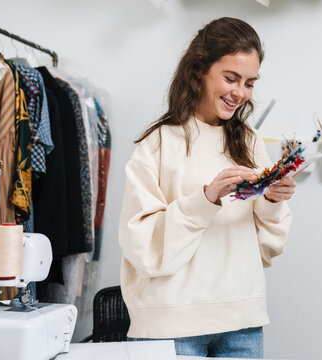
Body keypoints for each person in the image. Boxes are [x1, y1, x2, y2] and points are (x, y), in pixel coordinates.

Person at [118, 17, 295, 358]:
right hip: (171, 327)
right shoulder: (158, 143)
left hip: (242, 322)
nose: (239, 93)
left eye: (249, 83)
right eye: (230, 78)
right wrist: (206, 199)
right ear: (199, 69)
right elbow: (140, 245)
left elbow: (267, 247)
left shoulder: (250, 140)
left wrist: (272, 200)